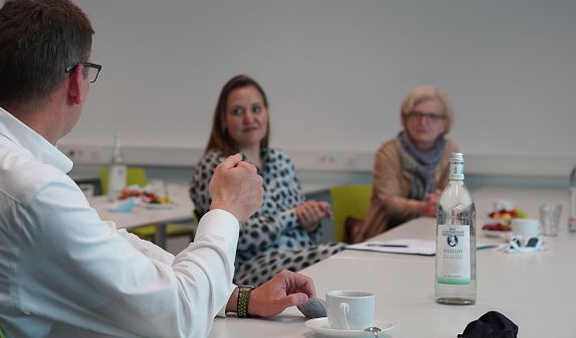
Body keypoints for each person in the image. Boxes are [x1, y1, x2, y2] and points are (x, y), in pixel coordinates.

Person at [0, 0, 317, 338]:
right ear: (76, 83)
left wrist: (234, 297)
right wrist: (224, 211)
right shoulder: (29, 191)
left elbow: (107, 244)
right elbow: (179, 319)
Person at [189, 75, 346, 287]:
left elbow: (306, 231)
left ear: (267, 112)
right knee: (341, 253)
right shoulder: (218, 167)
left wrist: (310, 221)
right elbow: (239, 236)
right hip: (249, 269)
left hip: (297, 255)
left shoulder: (282, 160)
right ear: (223, 120)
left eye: (256, 109)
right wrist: (294, 216)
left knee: (350, 255)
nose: (248, 118)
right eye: (237, 111)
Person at [357, 85, 459, 242]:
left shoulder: (451, 150)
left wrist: (443, 201)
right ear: (405, 119)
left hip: (434, 232)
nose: (423, 122)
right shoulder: (388, 151)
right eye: (416, 114)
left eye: (432, 116)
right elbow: (390, 202)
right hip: (386, 234)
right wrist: (425, 207)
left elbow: (453, 195)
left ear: (444, 124)